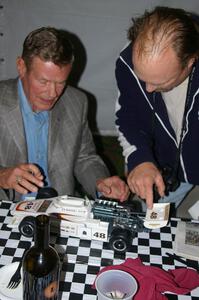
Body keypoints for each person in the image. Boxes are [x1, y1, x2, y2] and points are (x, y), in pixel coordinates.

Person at [0, 26, 129, 202]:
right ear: (21, 67)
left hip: (61, 210)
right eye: (43, 81)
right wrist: (2, 175)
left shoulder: (77, 102)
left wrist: (101, 182)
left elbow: (85, 158)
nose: (52, 93)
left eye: (61, 82)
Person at [115, 6, 199, 209]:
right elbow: (127, 118)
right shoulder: (128, 62)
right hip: (162, 169)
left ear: (190, 62)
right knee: (148, 226)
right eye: (142, 78)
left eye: (160, 82)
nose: (149, 89)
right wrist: (140, 159)